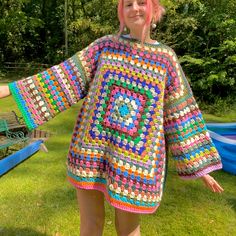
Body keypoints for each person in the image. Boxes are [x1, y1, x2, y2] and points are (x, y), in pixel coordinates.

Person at [0, 0, 224, 235]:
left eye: (141, 3)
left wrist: (200, 167)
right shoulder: (105, 47)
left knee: (128, 231)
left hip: (135, 163)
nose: (134, 8)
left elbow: (179, 113)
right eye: (128, 4)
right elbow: (64, 77)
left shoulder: (166, 59)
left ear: (154, 9)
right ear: (121, 12)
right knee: (90, 225)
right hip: (90, 152)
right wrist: (10, 89)